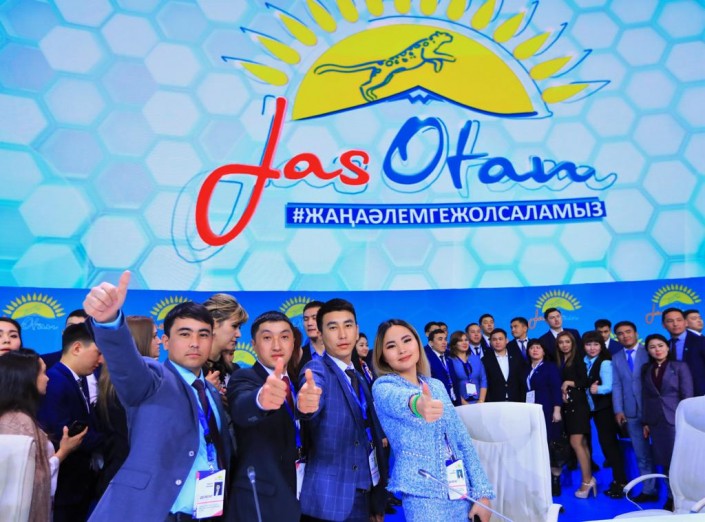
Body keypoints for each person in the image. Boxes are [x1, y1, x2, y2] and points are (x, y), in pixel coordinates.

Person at [82, 271, 234, 521]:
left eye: (203, 334)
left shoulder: (211, 393)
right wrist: (109, 321)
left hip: (206, 514)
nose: (195, 342)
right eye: (184, 334)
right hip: (152, 513)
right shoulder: (154, 378)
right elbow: (126, 364)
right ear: (166, 341)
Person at [371, 319, 494, 522]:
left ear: (417, 344)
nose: (402, 349)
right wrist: (417, 403)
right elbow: (399, 400)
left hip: (460, 489)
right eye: (391, 346)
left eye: (406, 340)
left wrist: (482, 493)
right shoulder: (383, 386)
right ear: (382, 355)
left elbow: (462, 439)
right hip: (423, 495)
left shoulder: (436, 385)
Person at [298, 298, 387, 522]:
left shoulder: (358, 375)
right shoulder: (316, 368)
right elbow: (311, 395)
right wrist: (307, 403)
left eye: (348, 325)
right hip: (329, 501)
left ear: (357, 330)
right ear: (320, 334)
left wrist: (375, 497)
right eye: (332, 327)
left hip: (365, 493)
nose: (342, 334)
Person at [227, 311, 321, 522]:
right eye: (267, 338)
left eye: (284, 337)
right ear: (253, 344)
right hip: (261, 500)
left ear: (293, 343)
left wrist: (308, 411)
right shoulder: (244, 378)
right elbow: (242, 407)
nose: (277, 346)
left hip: (300, 492)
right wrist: (261, 400)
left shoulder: (297, 383)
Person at [0, 349, 87, 522]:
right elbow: (29, 480)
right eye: (43, 373)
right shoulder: (19, 423)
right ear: (27, 378)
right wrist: (63, 452)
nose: (47, 378)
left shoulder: (16, 417)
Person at [36, 323, 105, 522]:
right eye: (98, 353)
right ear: (77, 348)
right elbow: (60, 431)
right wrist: (110, 441)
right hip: (65, 489)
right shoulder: (56, 381)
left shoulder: (77, 379)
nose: (101, 360)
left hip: (78, 487)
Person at [95, 315, 161, 498]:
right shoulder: (134, 390)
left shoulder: (109, 384)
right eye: (153, 336)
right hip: (132, 483)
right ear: (139, 341)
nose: (159, 342)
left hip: (119, 477)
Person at [641, 333, 694, 512]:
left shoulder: (679, 366)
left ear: (667, 347)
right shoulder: (647, 369)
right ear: (648, 351)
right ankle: (672, 497)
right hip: (656, 422)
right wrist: (646, 422)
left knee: (679, 461)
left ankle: (685, 498)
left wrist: (686, 422)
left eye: (660, 345)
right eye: (652, 347)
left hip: (676, 420)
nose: (657, 350)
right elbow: (646, 396)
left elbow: (687, 396)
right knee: (664, 462)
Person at [611, 321, 658, 503]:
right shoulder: (616, 357)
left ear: (636, 333)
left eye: (628, 331)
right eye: (620, 333)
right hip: (630, 412)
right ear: (617, 337)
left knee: (665, 453)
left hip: (654, 410)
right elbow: (617, 385)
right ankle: (649, 490)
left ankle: (673, 494)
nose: (625, 336)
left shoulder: (650, 351)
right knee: (641, 454)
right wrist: (618, 409)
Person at [582, 331, 628, 499]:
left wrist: (598, 389)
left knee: (609, 445)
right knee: (603, 444)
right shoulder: (584, 361)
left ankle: (620, 482)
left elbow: (609, 386)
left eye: (596, 344)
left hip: (605, 409)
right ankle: (617, 480)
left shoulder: (605, 362)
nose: (592, 348)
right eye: (588, 344)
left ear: (601, 346)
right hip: (592, 408)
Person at [556, 330, 595, 498]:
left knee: (576, 442)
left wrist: (568, 382)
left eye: (567, 342)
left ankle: (586, 481)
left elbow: (586, 381)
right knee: (582, 443)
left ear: (573, 343)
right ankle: (589, 478)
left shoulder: (578, 359)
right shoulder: (560, 360)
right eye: (561, 342)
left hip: (578, 406)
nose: (564, 345)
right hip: (568, 406)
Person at [525, 339, 564, 496]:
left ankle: (555, 479)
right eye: (532, 348)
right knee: (535, 444)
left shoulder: (550, 367)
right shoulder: (526, 368)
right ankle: (540, 479)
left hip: (548, 410)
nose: (535, 350)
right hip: (530, 410)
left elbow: (556, 388)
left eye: (538, 348)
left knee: (551, 444)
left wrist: (557, 409)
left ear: (544, 351)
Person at [203, 293, 248, 390]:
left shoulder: (234, 371)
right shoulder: (190, 369)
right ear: (213, 324)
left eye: (239, 328)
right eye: (234, 326)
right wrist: (203, 391)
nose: (239, 334)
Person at [661, 307, 705, 396]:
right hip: (675, 396)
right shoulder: (666, 345)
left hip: (700, 395)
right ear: (664, 325)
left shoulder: (700, 341)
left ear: (685, 322)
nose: (675, 324)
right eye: (670, 321)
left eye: (679, 320)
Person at [482, 328, 526, 403]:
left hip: (516, 401)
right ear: (490, 342)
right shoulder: (485, 360)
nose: (497, 342)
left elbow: (522, 380)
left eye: (500, 339)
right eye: (494, 340)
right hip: (494, 402)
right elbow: (485, 382)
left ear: (506, 341)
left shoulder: (517, 357)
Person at [448, 330, 487, 404]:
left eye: (466, 340)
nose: (464, 343)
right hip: (460, 403)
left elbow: (483, 380)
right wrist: (464, 403)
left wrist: (481, 400)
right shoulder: (450, 361)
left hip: (479, 402)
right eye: (460, 341)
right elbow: (452, 385)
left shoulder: (476, 359)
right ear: (454, 344)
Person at [423, 328, 456, 402]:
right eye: (440, 339)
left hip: (454, 398)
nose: (444, 342)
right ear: (431, 343)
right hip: (438, 400)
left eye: (445, 339)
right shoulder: (427, 360)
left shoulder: (449, 357)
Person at [298, 300, 326, 370]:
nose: (309, 323)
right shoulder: (297, 356)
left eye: (314, 318)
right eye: (306, 319)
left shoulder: (341, 353)